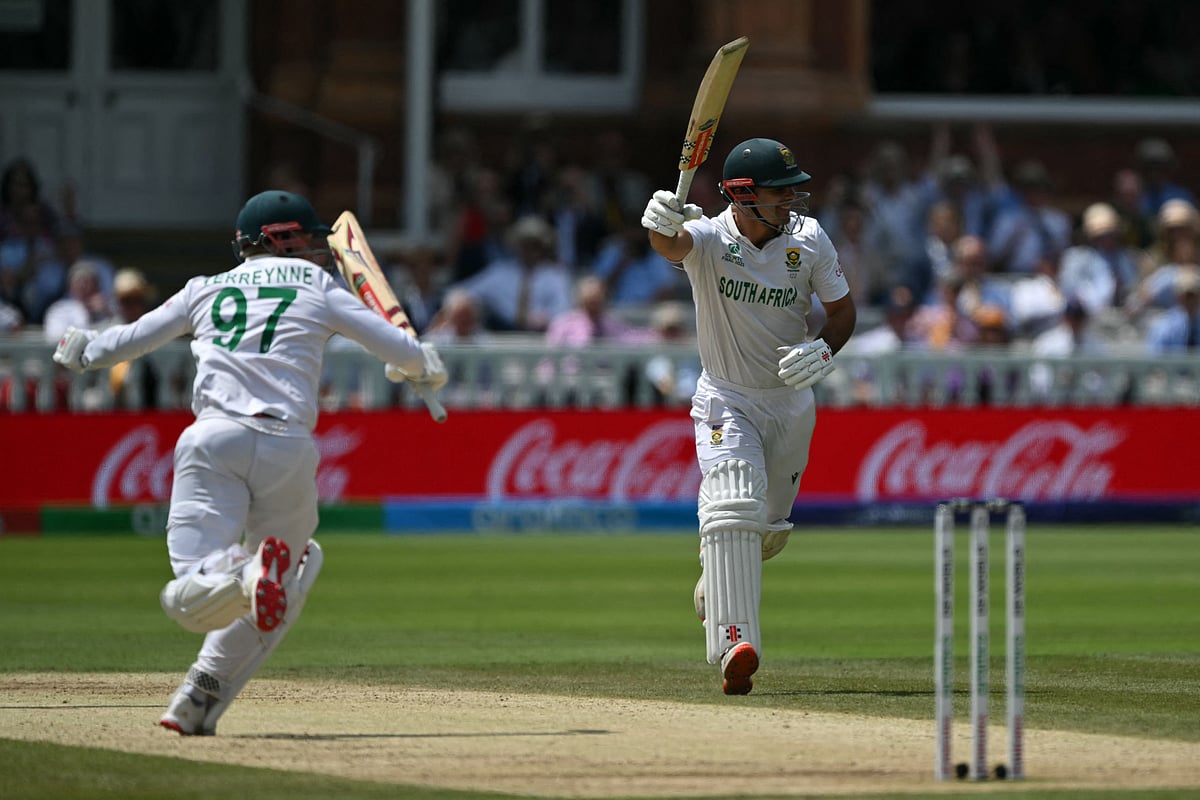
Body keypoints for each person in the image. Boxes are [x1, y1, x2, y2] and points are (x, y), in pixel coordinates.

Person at [51, 189, 448, 736]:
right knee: (294, 569)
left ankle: (243, 578)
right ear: (281, 238)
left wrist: (83, 349)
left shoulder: (203, 289)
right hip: (288, 446)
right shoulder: (320, 287)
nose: (315, 250)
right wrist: (420, 366)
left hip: (213, 441)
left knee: (190, 594)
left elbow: (128, 341)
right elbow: (404, 351)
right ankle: (200, 696)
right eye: (306, 239)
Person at [641, 137, 856, 695]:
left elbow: (841, 311)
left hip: (789, 403)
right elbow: (670, 242)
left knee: (768, 533)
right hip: (726, 397)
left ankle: (717, 579)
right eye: (779, 193)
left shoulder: (807, 241)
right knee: (732, 495)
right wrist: (659, 218)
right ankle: (734, 644)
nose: (791, 202)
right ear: (741, 195)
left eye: (792, 192)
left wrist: (826, 348)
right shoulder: (711, 239)